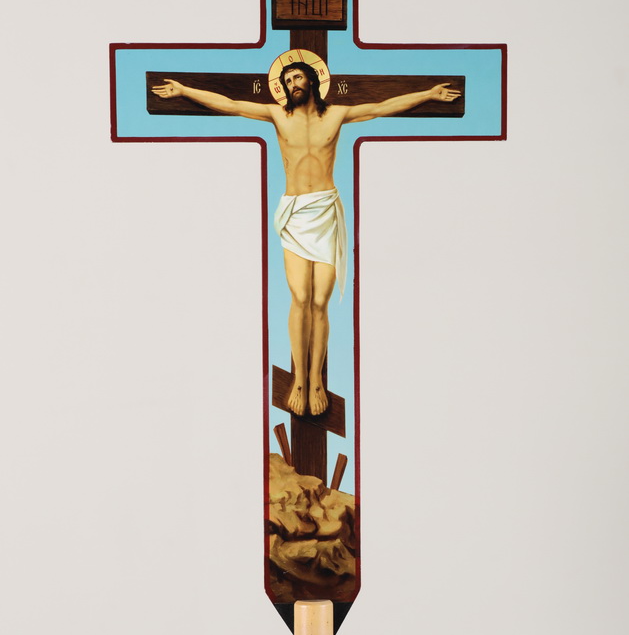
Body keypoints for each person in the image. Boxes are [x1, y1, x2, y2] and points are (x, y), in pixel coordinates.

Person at [152, 63, 460, 416]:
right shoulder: (277, 116)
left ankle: (316, 380)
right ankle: (299, 379)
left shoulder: (337, 115)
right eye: (286, 81)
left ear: (312, 80)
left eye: (297, 77)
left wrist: (428, 94)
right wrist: (184, 90)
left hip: (325, 212)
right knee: (300, 297)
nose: (291, 84)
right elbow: (231, 105)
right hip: (296, 214)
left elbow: (381, 107)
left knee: (320, 301)